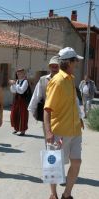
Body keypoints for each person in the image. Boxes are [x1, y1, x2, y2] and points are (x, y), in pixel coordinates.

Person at [44, 47, 84, 199]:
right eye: (75, 61)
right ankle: (53, 195)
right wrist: (48, 131)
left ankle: (66, 194)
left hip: (75, 130)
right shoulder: (58, 81)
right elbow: (47, 109)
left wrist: (79, 118)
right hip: (59, 131)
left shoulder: (71, 79)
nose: (77, 64)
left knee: (77, 162)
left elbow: (72, 103)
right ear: (69, 62)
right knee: (54, 166)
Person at [9, 67, 31, 136]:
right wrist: (13, 85)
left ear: (23, 74)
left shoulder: (25, 81)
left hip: (23, 100)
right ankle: (16, 128)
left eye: (20, 73)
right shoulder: (17, 81)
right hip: (16, 99)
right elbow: (13, 91)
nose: (18, 75)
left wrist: (15, 84)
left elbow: (21, 91)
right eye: (18, 73)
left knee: (23, 115)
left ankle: (23, 130)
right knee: (14, 114)